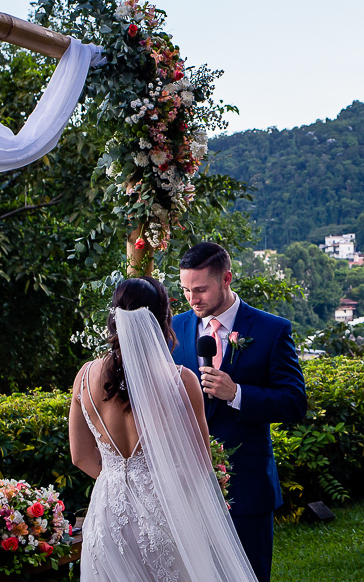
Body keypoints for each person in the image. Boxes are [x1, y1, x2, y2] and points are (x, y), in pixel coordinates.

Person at [71, 276, 258, 582]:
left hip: (107, 517)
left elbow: (80, 456)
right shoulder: (180, 380)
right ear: (161, 321)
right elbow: (200, 464)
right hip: (163, 515)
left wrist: (120, 480)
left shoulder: (84, 375)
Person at [170, 242, 308, 582]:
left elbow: (294, 402)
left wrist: (238, 394)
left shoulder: (271, 329)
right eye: (186, 290)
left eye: (200, 289)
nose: (192, 299)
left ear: (226, 279)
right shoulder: (174, 327)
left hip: (247, 483)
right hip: (187, 483)